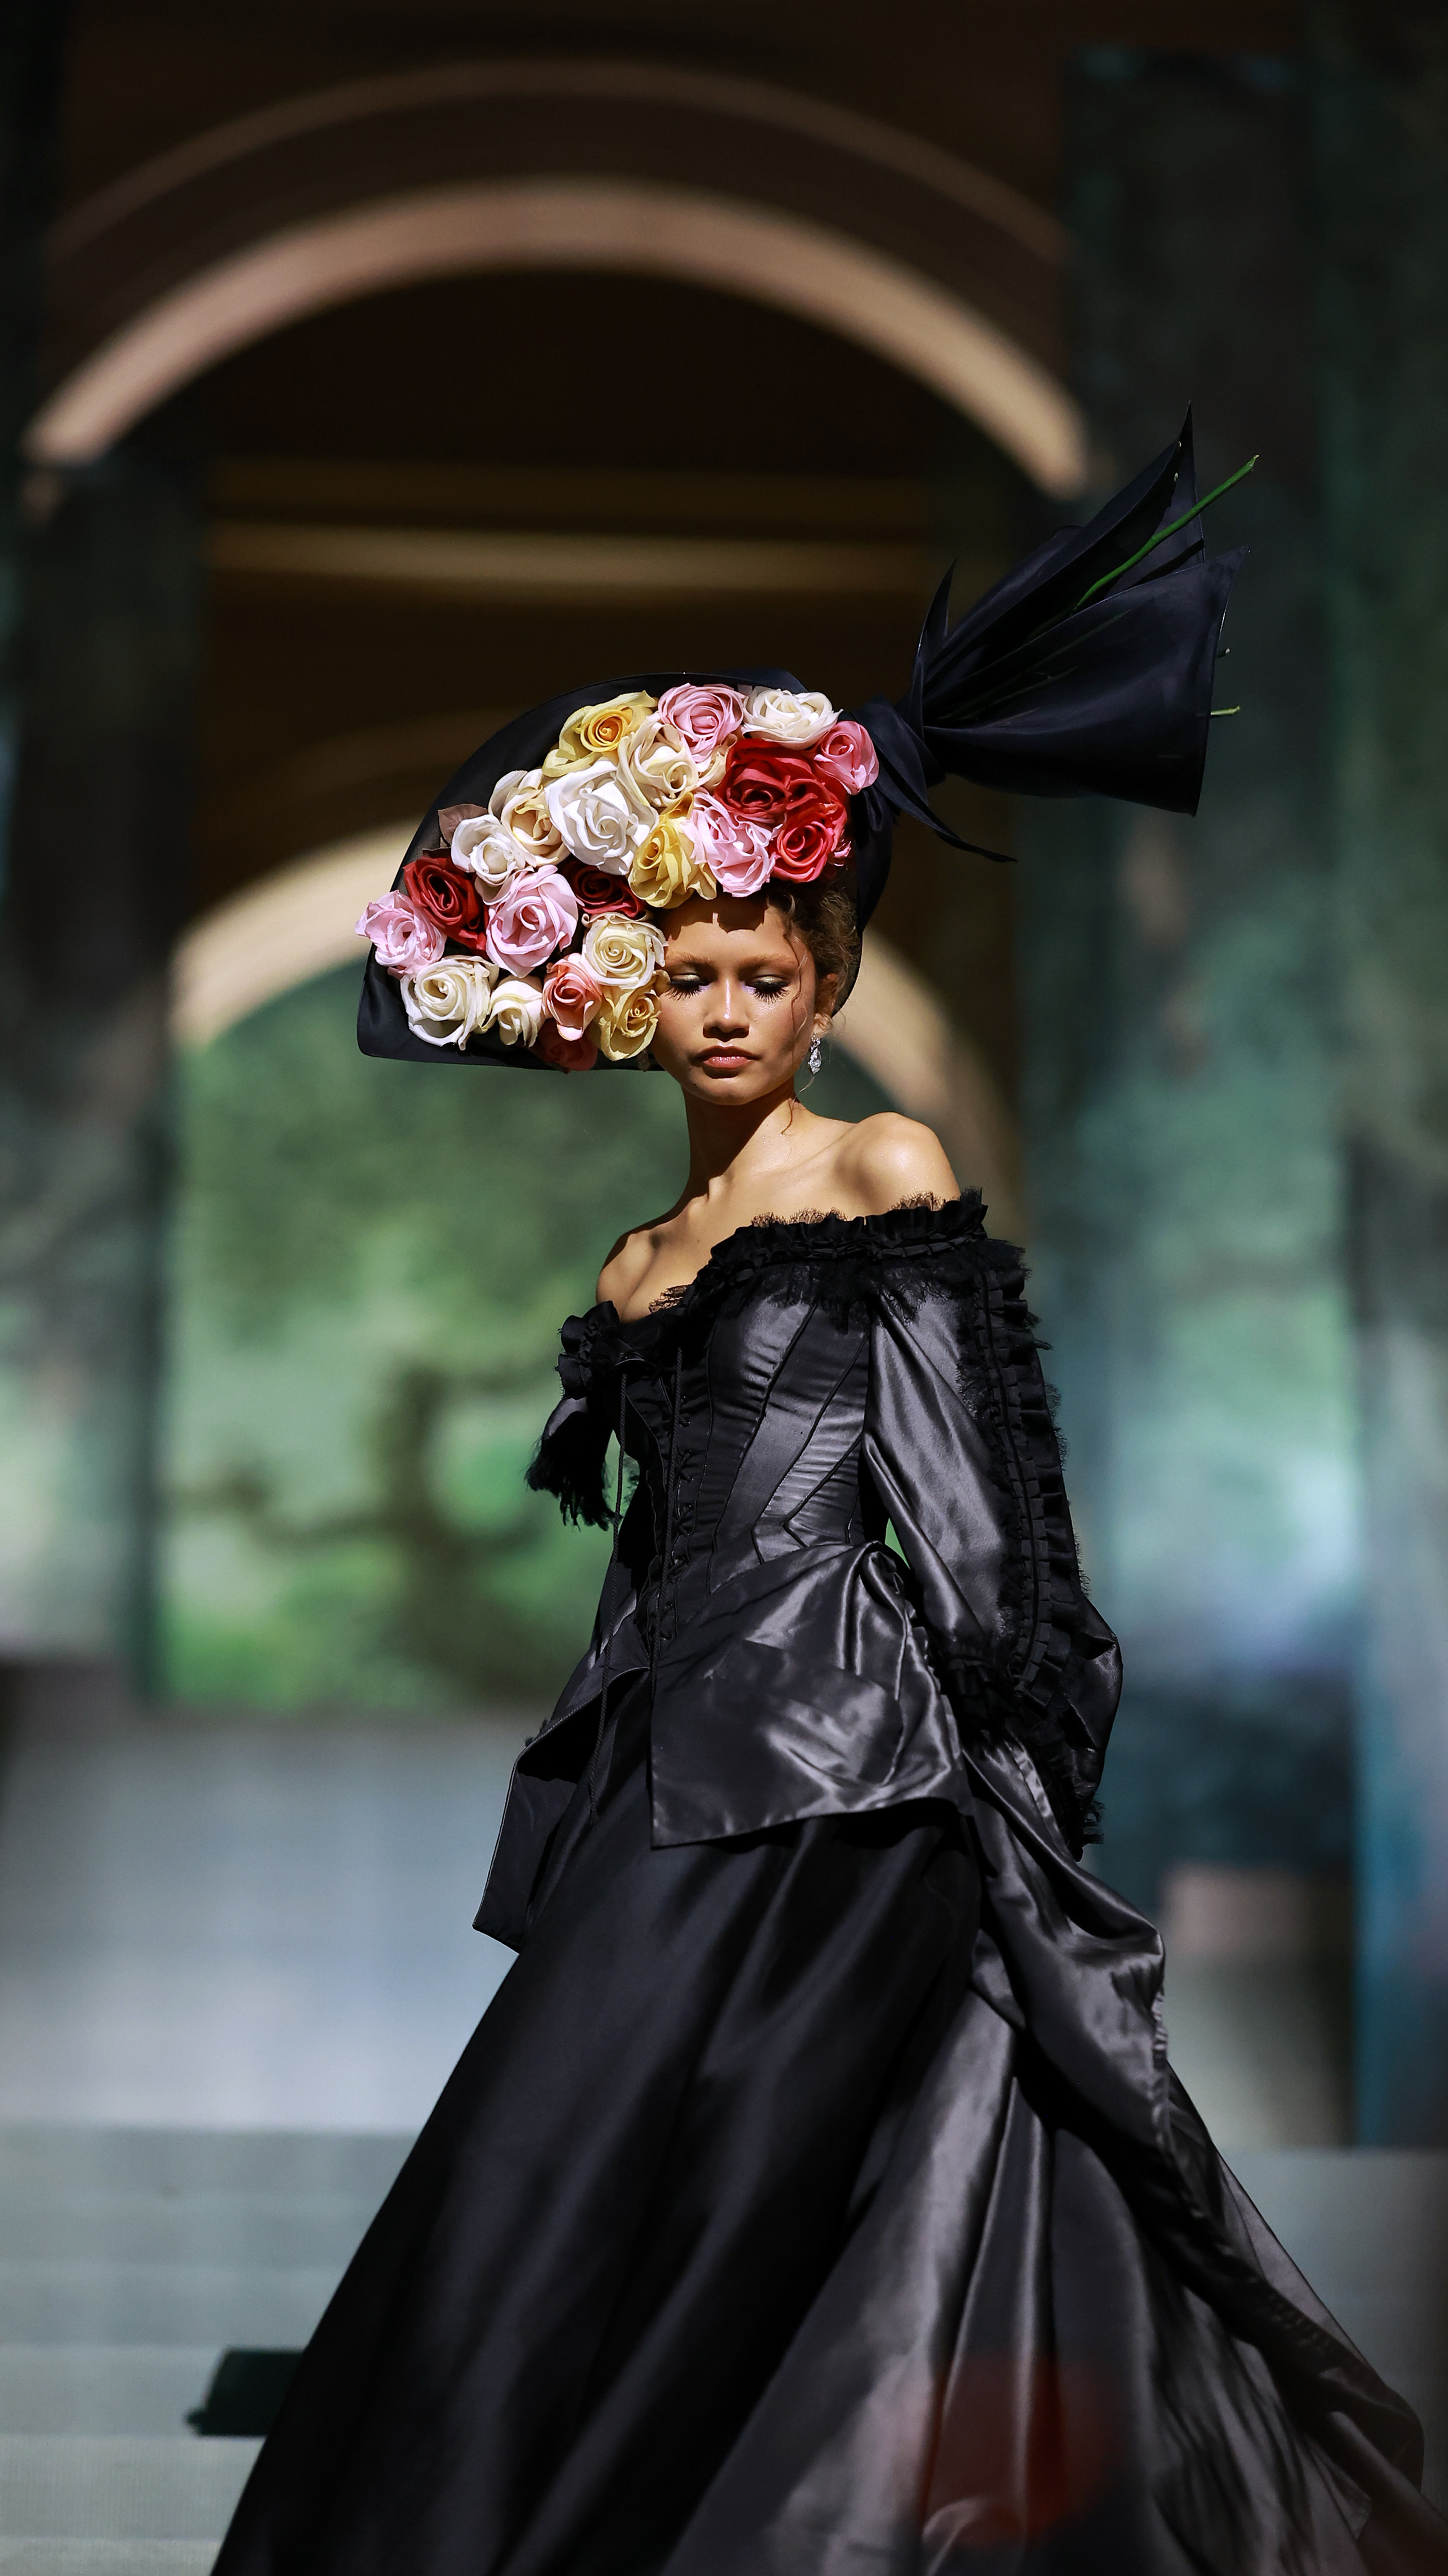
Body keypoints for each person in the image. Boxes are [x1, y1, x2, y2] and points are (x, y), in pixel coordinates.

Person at [214, 427, 1445, 2574]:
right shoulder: (632, 1259)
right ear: (625, 999)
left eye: (763, 976)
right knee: (561, 2167)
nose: (719, 1010)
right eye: (683, 976)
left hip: (852, 1773)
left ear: (831, 987)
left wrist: (1031, 1740)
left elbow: (974, 1487)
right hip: (669, 1770)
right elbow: (650, 1547)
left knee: (698, 2161)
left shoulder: (870, 1168)